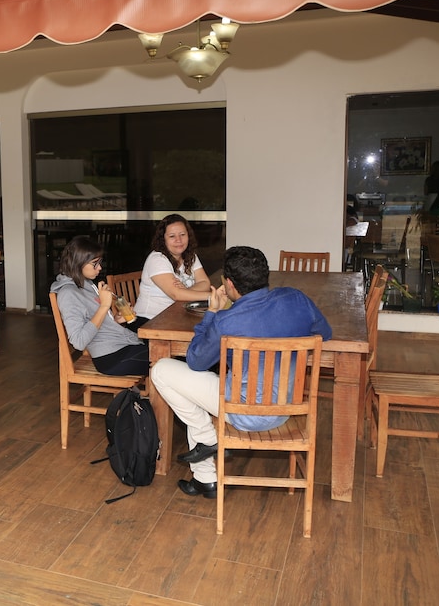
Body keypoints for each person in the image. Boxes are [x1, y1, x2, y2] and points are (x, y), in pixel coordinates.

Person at [150, 246, 332, 499]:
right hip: (286, 408)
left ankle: (208, 440)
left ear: (229, 284)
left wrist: (212, 313)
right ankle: (204, 478)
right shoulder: (296, 298)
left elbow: (196, 361)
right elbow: (325, 333)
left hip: (243, 412)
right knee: (202, 389)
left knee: (161, 370)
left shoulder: (227, 320)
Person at [49, 236, 150, 376]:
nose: (100, 268)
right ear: (78, 263)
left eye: (100, 262)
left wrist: (115, 320)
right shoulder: (68, 294)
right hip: (111, 357)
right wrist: (104, 306)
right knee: (167, 359)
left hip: (121, 346)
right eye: (94, 264)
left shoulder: (86, 284)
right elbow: (78, 341)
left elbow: (95, 323)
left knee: (169, 354)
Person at [128, 214, 211, 330]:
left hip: (176, 318)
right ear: (163, 239)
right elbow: (176, 295)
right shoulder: (157, 259)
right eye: (172, 236)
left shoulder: (190, 256)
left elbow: (205, 283)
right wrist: (212, 297)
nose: (179, 240)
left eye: (182, 234)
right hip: (149, 321)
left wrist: (185, 292)